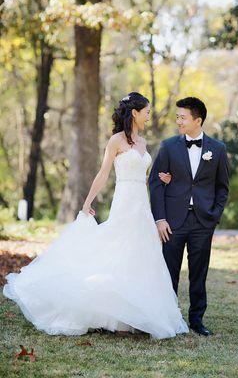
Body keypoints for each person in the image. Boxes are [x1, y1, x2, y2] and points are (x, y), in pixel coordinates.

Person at [3, 92, 188, 339]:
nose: (148, 115)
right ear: (134, 113)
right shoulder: (116, 140)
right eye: (146, 111)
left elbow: (145, 178)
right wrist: (87, 202)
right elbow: (103, 174)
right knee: (119, 250)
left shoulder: (143, 143)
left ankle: (132, 316)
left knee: (141, 253)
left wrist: (161, 179)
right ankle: (113, 315)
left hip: (142, 204)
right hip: (124, 202)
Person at [149, 97, 229, 336]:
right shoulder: (168, 146)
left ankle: (197, 321)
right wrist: (160, 219)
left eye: (183, 117)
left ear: (198, 120)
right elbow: (155, 184)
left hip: (203, 221)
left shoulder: (218, 149)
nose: (178, 121)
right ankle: (169, 319)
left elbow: (223, 187)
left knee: (199, 273)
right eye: (177, 117)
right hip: (172, 222)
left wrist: (214, 216)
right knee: (169, 273)